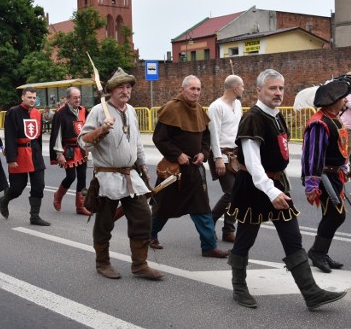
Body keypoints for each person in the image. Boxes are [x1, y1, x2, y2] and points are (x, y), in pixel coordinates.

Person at [225, 69, 346, 310]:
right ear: (259, 90)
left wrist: (279, 186)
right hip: (254, 187)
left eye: (280, 88)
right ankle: (239, 286)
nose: (278, 93)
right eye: (272, 88)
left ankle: (311, 293)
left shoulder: (277, 115)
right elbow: (252, 162)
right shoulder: (253, 118)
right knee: (245, 240)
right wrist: (271, 191)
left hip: (277, 185)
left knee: (293, 238)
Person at [78, 68, 163, 280]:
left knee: (143, 217)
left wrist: (143, 168)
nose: (125, 91)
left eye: (128, 87)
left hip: (131, 176)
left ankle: (140, 265)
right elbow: (83, 142)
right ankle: (102, 263)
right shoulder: (99, 111)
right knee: (104, 223)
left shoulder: (132, 110)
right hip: (107, 177)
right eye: (121, 87)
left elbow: (136, 142)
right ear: (111, 91)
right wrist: (101, 130)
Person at [150, 75, 228, 258]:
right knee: (163, 208)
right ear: (182, 89)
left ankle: (209, 246)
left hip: (194, 170)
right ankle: (149, 235)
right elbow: (159, 138)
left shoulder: (200, 110)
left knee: (202, 208)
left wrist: (203, 153)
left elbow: (206, 137)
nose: (196, 92)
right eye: (192, 89)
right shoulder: (171, 109)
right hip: (173, 171)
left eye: (198, 89)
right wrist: (177, 155)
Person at [301, 80, 351, 273]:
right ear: (334, 101)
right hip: (323, 177)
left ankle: (320, 251)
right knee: (336, 215)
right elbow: (313, 155)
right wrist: (312, 183)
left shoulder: (333, 117)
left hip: (334, 175)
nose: (345, 100)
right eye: (342, 97)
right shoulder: (319, 123)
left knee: (332, 214)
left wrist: (343, 166)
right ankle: (317, 252)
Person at [0, 87, 51, 226]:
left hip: (34, 152)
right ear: (23, 97)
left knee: (39, 185)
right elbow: (9, 136)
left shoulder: (37, 113)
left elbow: (38, 136)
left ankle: (34, 216)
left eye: (34, 98)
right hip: (20, 153)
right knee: (17, 188)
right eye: (29, 97)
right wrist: (11, 159)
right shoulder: (13, 112)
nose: (32, 100)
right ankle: (5, 200)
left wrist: (40, 152)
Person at [207, 75, 244, 243]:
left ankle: (228, 230)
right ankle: (209, 223)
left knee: (239, 193)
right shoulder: (216, 107)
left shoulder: (238, 104)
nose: (244, 89)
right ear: (235, 88)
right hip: (221, 154)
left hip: (236, 155)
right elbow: (213, 134)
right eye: (242, 86)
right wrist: (218, 158)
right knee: (231, 193)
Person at [50, 87, 91, 216]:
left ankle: (81, 205)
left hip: (81, 149)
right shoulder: (61, 114)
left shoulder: (83, 111)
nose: (78, 100)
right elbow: (57, 135)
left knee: (83, 177)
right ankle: (58, 195)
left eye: (79, 97)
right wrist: (59, 153)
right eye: (75, 98)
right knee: (71, 176)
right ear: (68, 99)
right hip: (68, 150)